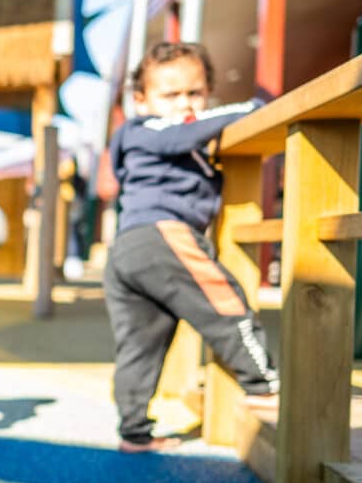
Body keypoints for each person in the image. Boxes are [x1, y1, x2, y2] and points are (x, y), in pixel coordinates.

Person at [105, 41, 280, 453]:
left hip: (129, 249)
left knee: (139, 346)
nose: (185, 104)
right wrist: (252, 107)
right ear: (140, 100)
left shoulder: (170, 141)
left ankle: (134, 432)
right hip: (161, 235)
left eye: (195, 93)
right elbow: (181, 133)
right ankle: (263, 383)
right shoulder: (144, 129)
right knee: (225, 303)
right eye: (170, 95)